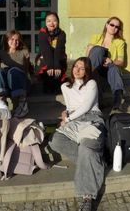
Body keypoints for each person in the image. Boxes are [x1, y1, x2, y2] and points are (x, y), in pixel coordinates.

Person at [48, 57, 106, 211]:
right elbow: (70, 106)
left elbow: (86, 106)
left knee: (86, 149)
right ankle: (96, 161)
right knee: (55, 140)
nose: (78, 70)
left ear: (87, 71)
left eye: (82, 68)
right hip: (73, 119)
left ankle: (87, 197)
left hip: (91, 118)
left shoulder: (91, 84)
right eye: (76, 66)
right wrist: (65, 114)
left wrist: (68, 119)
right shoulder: (65, 87)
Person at [86, 16, 126, 111]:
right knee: (98, 50)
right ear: (107, 25)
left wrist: (111, 61)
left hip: (108, 69)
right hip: (95, 67)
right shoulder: (96, 37)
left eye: (117, 27)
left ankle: (117, 99)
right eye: (112, 25)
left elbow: (121, 61)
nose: (114, 28)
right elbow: (88, 54)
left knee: (114, 68)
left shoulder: (119, 42)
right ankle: (97, 99)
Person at [0, 30, 31, 118]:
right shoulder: (0, 53)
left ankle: (21, 104)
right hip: (6, 83)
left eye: (17, 40)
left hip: (19, 81)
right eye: (12, 39)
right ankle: (1, 102)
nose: (15, 42)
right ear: (6, 40)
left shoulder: (24, 51)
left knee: (14, 70)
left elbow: (25, 70)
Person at [37, 12, 67, 93]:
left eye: (54, 21)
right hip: (46, 58)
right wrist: (50, 66)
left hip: (59, 57)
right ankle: (47, 83)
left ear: (58, 22)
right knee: (44, 60)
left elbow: (59, 49)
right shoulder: (42, 33)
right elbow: (46, 50)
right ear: (45, 23)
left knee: (60, 60)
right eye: (49, 21)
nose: (51, 23)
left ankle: (58, 83)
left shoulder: (62, 33)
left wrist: (56, 65)